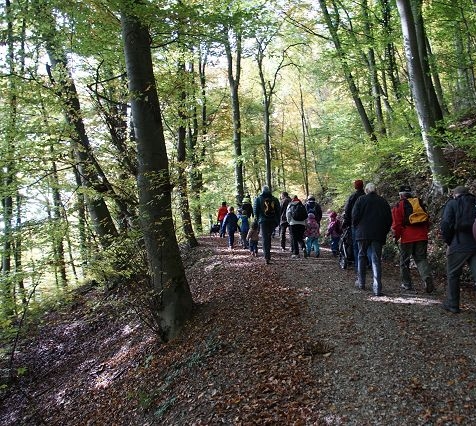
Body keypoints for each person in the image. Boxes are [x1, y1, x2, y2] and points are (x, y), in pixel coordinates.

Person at [352, 182, 392, 296]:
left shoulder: (360, 200)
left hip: (362, 233)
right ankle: (377, 287)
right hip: (378, 234)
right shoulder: (383, 201)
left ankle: (361, 282)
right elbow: (389, 219)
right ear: (376, 190)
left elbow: (354, 216)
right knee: (376, 259)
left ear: (366, 190)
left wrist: (356, 227)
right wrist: (384, 231)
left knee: (361, 256)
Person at [440, 186, 476, 313]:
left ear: (455, 194)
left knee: (453, 275)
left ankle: (452, 304)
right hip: (474, 243)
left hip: (459, 243)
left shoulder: (452, 204)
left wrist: (449, 242)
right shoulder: (474, 202)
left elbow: (445, 225)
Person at [391, 185, 433, 293]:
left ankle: (406, 284)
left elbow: (397, 225)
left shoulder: (399, 205)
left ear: (400, 195)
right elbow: (427, 220)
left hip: (407, 237)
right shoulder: (419, 202)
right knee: (421, 259)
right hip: (422, 235)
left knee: (404, 261)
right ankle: (426, 277)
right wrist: (425, 232)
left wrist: (396, 237)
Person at [253, 185, 280, 264]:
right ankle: (268, 254)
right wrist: (277, 221)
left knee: (265, 238)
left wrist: (258, 220)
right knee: (269, 237)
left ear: (262, 191)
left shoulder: (258, 199)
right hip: (272, 221)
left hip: (263, 221)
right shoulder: (275, 199)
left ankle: (266, 257)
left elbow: (255, 211)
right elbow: (278, 210)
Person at [343, 179, 366, 269]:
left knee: (356, 245)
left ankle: (358, 265)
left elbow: (348, 210)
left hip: (355, 224)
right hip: (365, 224)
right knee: (366, 245)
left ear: (356, 186)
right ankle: (367, 264)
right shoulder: (365, 196)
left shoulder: (353, 196)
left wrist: (346, 221)